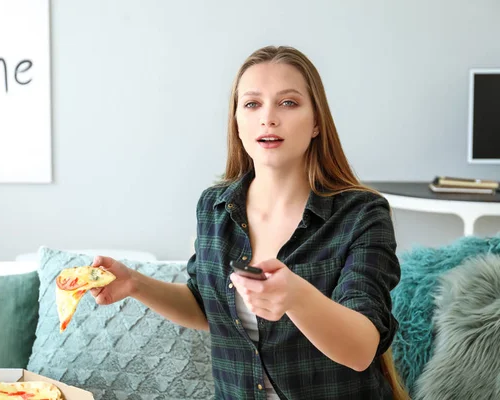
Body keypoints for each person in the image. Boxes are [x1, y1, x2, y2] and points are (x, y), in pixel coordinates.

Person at [90, 45, 409, 400]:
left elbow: (362, 349)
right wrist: (135, 283)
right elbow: (205, 306)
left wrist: (297, 298)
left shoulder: (362, 214)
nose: (268, 118)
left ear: (317, 122)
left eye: (288, 103)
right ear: (237, 121)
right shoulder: (214, 207)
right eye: (252, 104)